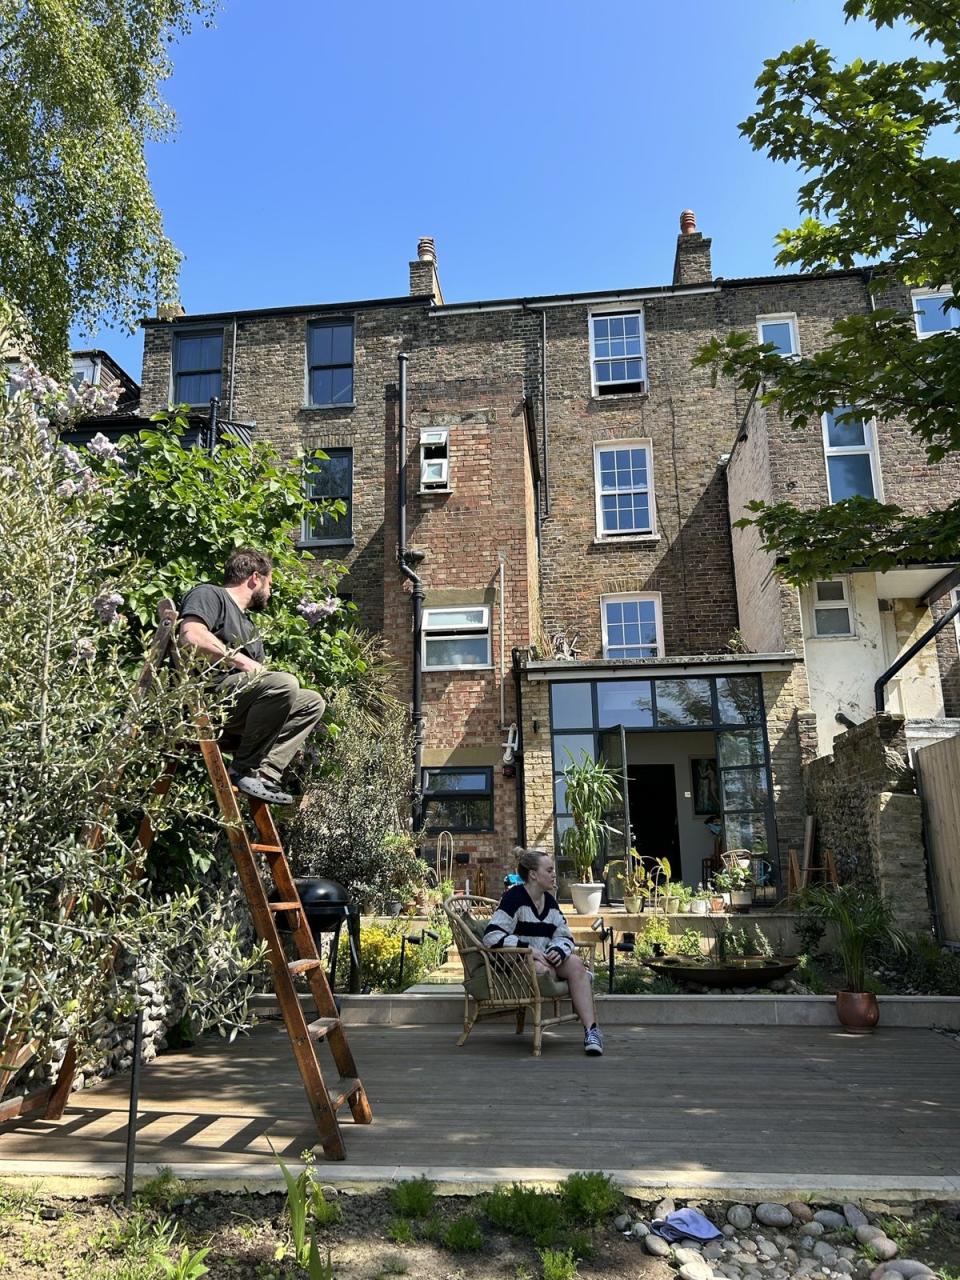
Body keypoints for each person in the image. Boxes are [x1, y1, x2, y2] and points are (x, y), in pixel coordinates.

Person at [179, 547, 326, 805]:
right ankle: (243, 770)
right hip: (204, 701)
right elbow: (191, 636)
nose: (270, 592)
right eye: (269, 584)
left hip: (239, 707)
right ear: (255, 578)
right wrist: (245, 663)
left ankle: (266, 774)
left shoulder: (249, 625)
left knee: (311, 701)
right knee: (283, 683)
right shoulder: (210, 595)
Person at [483, 847, 603, 1056]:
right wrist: (528, 949)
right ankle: (581, 980)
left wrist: (557, 949)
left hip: (546, 959)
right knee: (540, 968)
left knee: (574, 962)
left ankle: (591, 1032)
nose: (554, 874)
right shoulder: (513, 898)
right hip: (517, 964)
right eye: (549, 870)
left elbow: (565, 936)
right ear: (533, 875)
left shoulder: (551, 902)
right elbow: (491, 936)